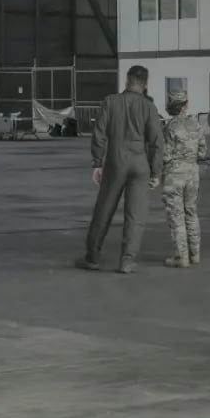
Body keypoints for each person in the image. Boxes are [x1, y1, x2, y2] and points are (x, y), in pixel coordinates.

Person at [74, 65, 164, 274]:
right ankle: (127, 261)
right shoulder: (150, 107)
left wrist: (97, 162)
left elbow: (99, 134)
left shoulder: (111, 102)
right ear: (146, 85)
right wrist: (156, 172)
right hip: (140, 164)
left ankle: (93, 257)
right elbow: (157, 142)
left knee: (103, 210)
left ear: (126, 81)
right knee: (135, 214)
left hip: (116, 161)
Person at [161, 91, 207, 268]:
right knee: (191, 212)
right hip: (192, 173)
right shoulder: (196, 125)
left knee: (176, 216)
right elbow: (202, 152)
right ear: (185, 105)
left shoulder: (169, 128)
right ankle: (195, 254)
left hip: (174, 174)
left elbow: (165, 155)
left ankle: (181, 256)